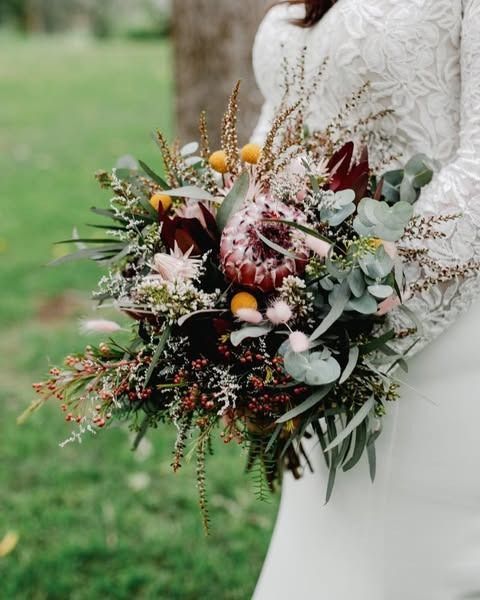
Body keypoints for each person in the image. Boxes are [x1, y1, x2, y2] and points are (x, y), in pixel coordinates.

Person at [251, 1, 480, 598]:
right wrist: (238, 280)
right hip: (318, 347)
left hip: (439, 331)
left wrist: (349, 306)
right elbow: (271, 142)